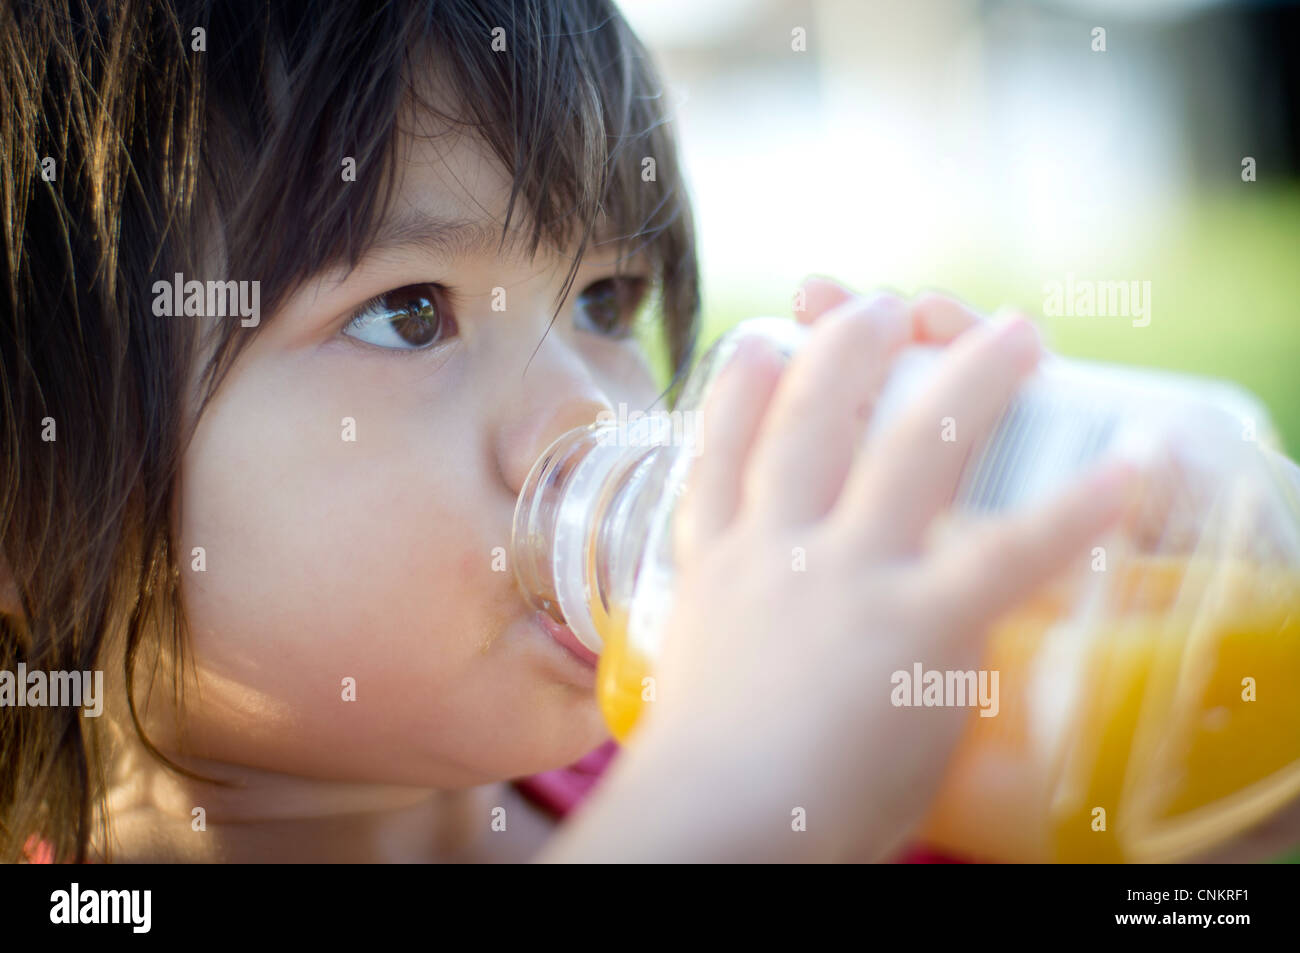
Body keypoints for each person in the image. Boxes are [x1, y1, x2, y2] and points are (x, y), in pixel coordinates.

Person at [2, 0, 1293, 864]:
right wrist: (731, 786)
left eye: (606, 301)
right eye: (407, 314)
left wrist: (1132, 578)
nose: (597, 408)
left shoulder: (688, 736)